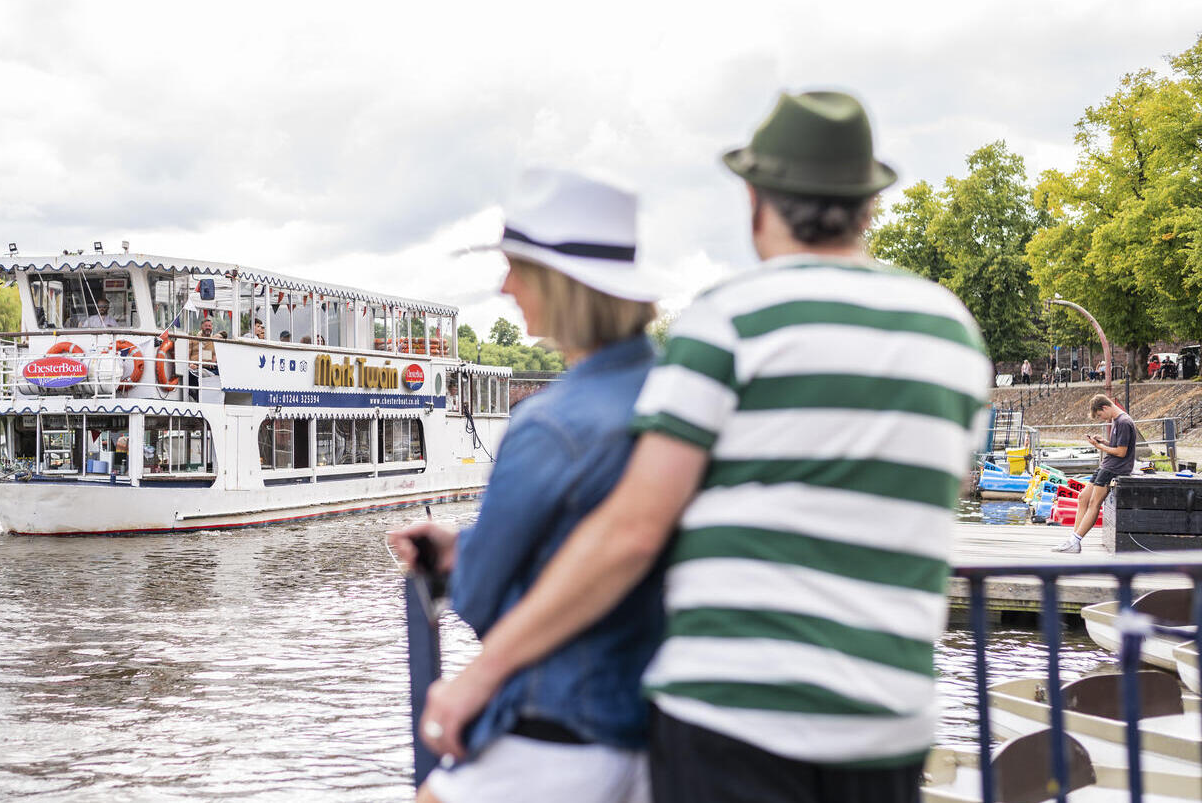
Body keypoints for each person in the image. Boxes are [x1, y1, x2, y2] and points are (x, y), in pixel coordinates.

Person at [415, 92, 992, 803]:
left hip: (733, 713)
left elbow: (633, 529)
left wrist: (480, 673)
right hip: (888, 718)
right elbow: (947, 484)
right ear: (869, 205)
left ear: (756, 199)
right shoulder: (953, 332)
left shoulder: (729, 321)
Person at [389, 168, 662, 803]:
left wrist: (465, 559)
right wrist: (471, 542)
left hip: (559, 722)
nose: (504, 285)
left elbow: (481, 597)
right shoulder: (677, 396)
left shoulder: (547, 425)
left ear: (560, 285)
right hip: (654, 725)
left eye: (516, 267)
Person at [1052, 394, 1136, 553]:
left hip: (1115, 468)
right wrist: (1103, 441)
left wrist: (1099, 447)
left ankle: (1075, 541)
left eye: (1100, 415)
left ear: (1105, 407)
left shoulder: (1123, 422)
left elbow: (1121, 452)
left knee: (1094, 503)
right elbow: (1117, 445)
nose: (1102, 418)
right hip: (1107, 465)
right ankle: (1073, 540)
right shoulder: (1118, 421)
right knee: (1083, 497)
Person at [189, 316, 221, 401]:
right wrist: (190, 364)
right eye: (206, 326)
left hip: (207, 367)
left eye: (209, 326)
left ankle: (202, 397)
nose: (208, 328)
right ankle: (194, 395)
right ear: (201, 327)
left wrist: (214, 359)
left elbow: (217, 353)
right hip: (193, 366)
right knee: (191, 374)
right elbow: (188, 353)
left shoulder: (214, 341)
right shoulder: (193, 339)